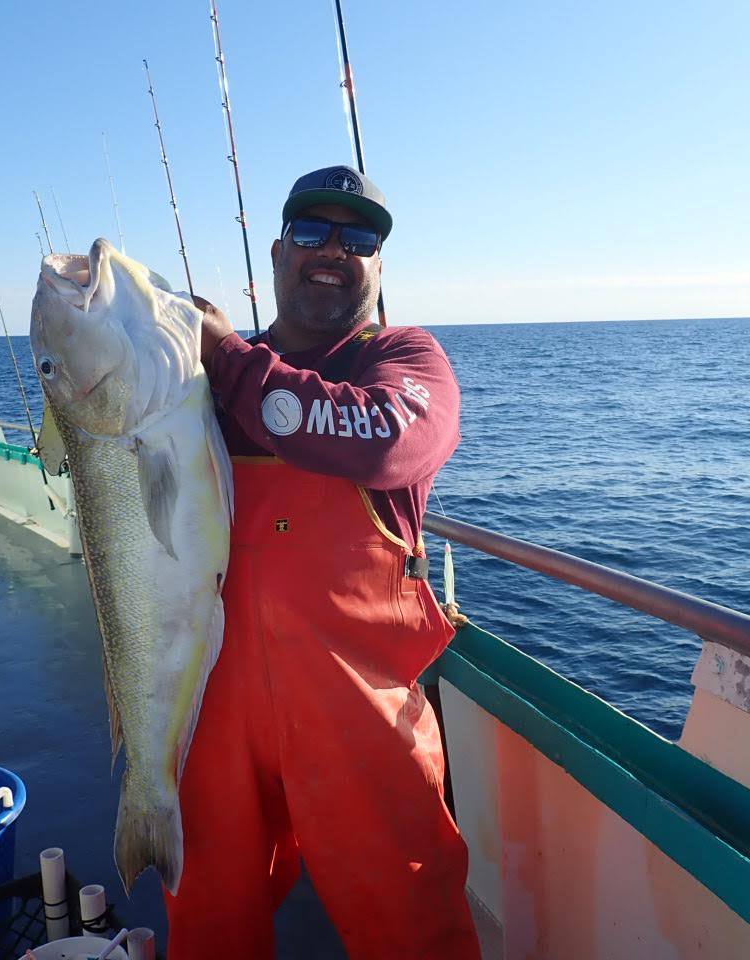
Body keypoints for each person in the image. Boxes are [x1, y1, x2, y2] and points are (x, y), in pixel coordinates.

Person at [168, 166, 481, 958]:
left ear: (379, 266)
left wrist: (231, 360)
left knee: (410, 923)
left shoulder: (407, 358)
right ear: (276, 253)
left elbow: (386, 439)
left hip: (361, 717)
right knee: (207, 918)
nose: (333, 250)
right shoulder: (197, 380)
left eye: (359, 238)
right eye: (312, 233)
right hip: (208, 705)